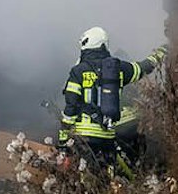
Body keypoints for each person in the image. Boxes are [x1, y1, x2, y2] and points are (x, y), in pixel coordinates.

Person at [59, 27, 165, 169]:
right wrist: (160, 53)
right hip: (107, 134)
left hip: (84, 136)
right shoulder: (118, 68)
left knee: (86, 173)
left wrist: (63, 139)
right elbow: (142, 68)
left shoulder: (78, 71)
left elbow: (70, 108)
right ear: (103, 45)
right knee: (110, 172)